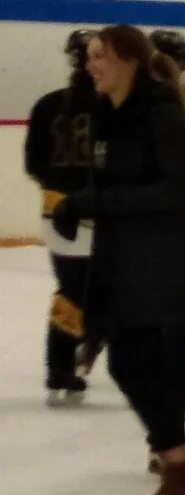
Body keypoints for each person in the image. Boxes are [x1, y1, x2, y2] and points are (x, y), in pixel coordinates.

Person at [51, 27, 185, 495]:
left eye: (100, 57)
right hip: (122, 259)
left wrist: (93, 202)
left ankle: (179, 469)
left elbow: (175, 192)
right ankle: (179, 467)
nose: (90, 65)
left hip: (161, 263)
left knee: (133, 365)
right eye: (89, 57)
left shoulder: (162, 115)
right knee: (132, 364)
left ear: (129, 60)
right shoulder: (110, 114)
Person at [25, 28, 99, 405]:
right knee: (95, 289)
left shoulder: (47, 104)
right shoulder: (112, 105)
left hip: (56, 209)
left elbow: (33, 163)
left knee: (72, 290)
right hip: (99, 209)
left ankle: (62, 364)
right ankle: (76, 354)